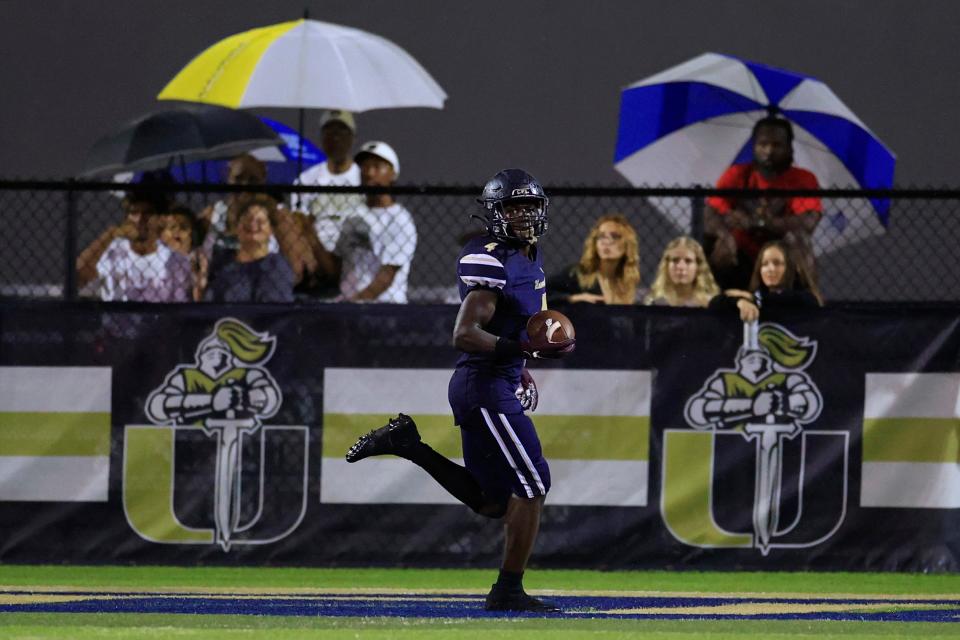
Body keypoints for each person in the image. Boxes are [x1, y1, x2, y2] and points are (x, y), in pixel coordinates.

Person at [345, 169, 575, 612]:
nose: (523, 214)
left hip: (494, 380)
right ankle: (508, 590)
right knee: (533, 482)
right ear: (495, 213)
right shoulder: (492, 259)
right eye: (512, 206)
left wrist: (520, 364)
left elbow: (510, 328)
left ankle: (408, 444)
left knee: (492, 502)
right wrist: (521, 348)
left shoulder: (531, 257)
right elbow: (465, 333)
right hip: (483, 385)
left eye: (529, 205)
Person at [703, 116, 822, 290]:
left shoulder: (802, 178)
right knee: (714, 240)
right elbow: (710, 212)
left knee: (800, 241)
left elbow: (808, 222)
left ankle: (808, 303)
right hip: (740, 253)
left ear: (789, 148)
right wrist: (724, 234)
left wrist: (765, 222)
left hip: (780, 254)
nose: (769, 151)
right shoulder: (737, 174)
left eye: (777, 145)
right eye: (763, 144)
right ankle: (713, 302)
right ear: (754, 146)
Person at [310, 141, 417, 302]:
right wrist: (309, 233)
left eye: (377, 166)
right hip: (349, 306)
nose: (369, 173)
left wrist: (353, 303)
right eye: (364, 167)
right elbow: (337, 265)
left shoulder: (400, 219)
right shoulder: (352, 214)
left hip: (385, 308)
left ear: (393, 174)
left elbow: (386, 276)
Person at [199, 154, 315, 284]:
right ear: (228, 176)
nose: (245, 185)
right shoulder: (213, 214)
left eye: (253, 180)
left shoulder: (278, 215)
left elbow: (300, 266)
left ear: (263, 178)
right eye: (238, 178)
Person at [77, 186, 192, 302]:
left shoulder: (172, 257)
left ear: (159, 219)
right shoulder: (112, 250)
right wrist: (111, 234)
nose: (139, 219)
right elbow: (77, 278)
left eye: (148, 213)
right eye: (134, 213)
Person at [198, 195, 295, 303]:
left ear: (271, 229)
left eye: (260, 221)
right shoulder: (222, 260)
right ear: (237, 226)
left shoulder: (275, 266)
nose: (253, 224)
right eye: (247, 219)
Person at [295, 109, 363, 253]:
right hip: (315, 251)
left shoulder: (364, 179)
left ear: (353, 137)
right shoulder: (305, 180)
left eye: (341, 132)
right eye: (329, 132)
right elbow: (298, 226)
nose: (335, 138)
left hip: (354, 250)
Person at [709, 240, 823, 322]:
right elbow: (714, 303)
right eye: (764, 264)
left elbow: (784, 301)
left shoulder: (805, 298)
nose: (770, 269)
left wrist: (752, 298)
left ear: (791, 267)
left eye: (777, 263)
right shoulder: (755, 299)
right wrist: (739, 302)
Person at [547, 214, 642, 305]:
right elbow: (540, 294)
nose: (606, 241)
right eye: (601, 236)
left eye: (614, 236)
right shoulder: (578, 273)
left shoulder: (627, 281)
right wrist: (573, 299)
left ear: (627, 244)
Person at [645, 236, 719, 307]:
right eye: (675, 260)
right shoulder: (656, 304)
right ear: (666, 266)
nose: (681, 267)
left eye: (688, 261)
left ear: (698, 267)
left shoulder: (709, 305)